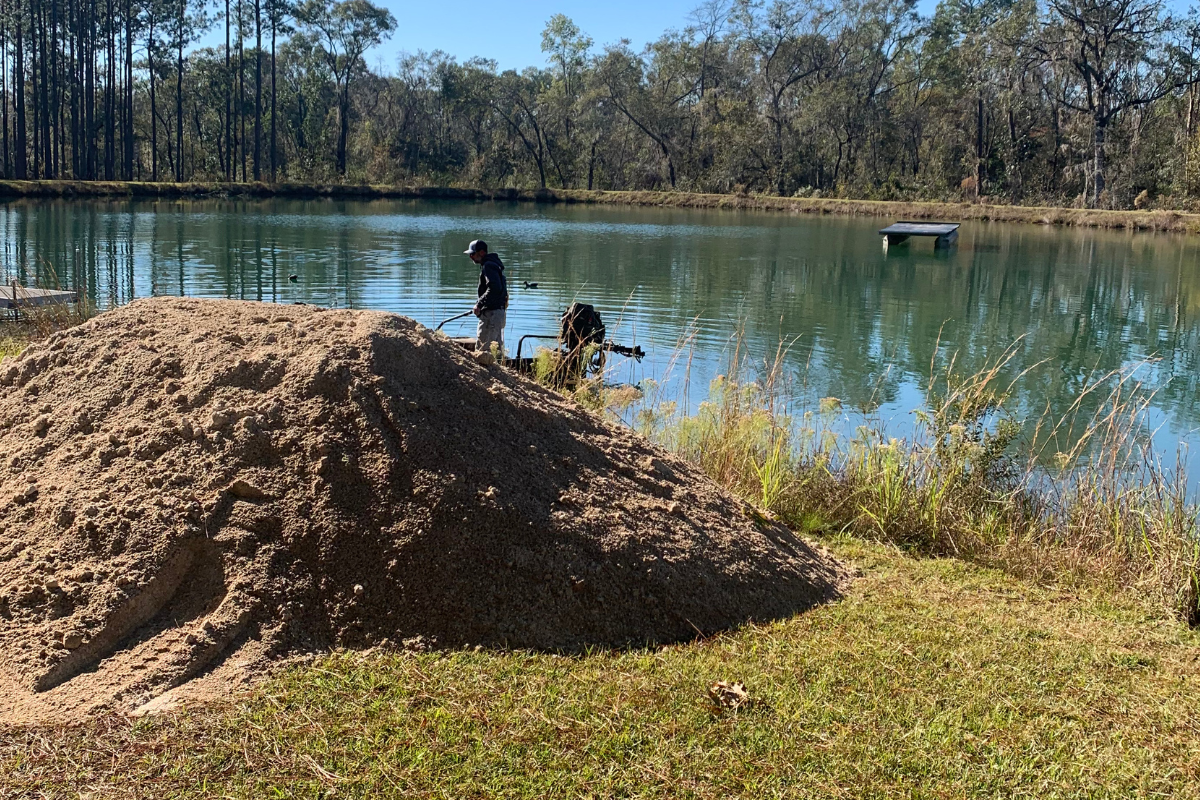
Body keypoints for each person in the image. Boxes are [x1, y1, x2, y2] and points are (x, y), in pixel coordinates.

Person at [465, 239, 509, 353]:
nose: (471, 257)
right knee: (496, 352)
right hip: (498, 313)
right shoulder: (494, 265)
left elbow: (494, 287)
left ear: (482, 253)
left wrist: (479, 304)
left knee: (482, 351)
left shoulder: (488, 266)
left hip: (491, 315)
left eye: (473, 254)